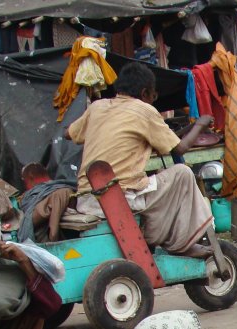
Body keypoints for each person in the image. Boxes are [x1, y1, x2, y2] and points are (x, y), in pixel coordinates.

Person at [68, 63, 217, 259]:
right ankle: (181, 243)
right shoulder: (144, 110)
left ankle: (157, 237)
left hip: (87, 199)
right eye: (153, 96)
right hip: (117, 198)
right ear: (145, 92)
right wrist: (200, 124)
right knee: (182, 173)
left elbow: (68, 133)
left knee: (152, 182)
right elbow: (180, 148)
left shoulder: (98, 107)